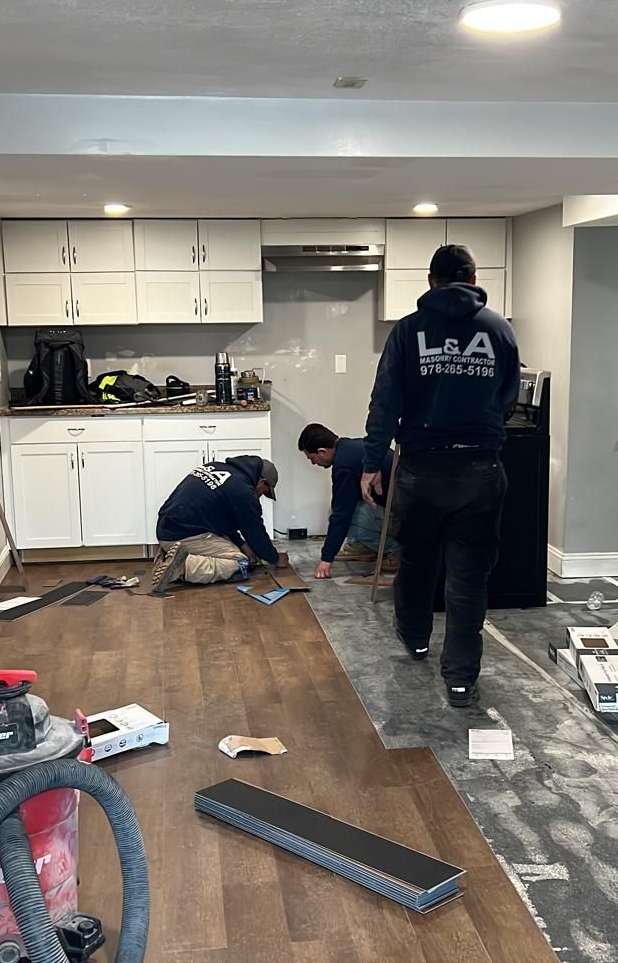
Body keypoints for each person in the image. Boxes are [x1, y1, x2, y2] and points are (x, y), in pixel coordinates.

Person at [361, 244, 520, 707]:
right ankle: (460, 680)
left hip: (421, 469)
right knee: (469, 578)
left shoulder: (409, 331)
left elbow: (385, 401)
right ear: (473, 279)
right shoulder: (499, 330)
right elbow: (508, 396)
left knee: (417, 560)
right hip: (479, 469)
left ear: (430, 282)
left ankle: (414, 638)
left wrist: (372, 463)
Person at [151, 454, 288, 592]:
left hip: (166, 530)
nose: (259, 496)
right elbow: (255, 533)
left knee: (239, 551)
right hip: (183, 535)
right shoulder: (244, 492)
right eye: (263, 492)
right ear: (261, 481)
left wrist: (242, 545)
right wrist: (275, 558)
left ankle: (168, 554)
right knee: (241, 561)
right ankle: (180, 567)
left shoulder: (216, 467)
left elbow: (223, 522)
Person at [297, 424, 398, 579]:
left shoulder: (344, 465)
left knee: (348, 514)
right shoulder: (353, 446)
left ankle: (396, 551)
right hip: (406, 508)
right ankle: (367, 548)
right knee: (346, 507)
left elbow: (341, 514)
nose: (313, 463)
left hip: (403, 517)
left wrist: (326, 559)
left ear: (322, 451)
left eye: (312, 458)